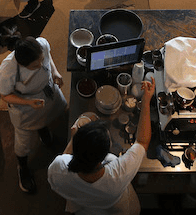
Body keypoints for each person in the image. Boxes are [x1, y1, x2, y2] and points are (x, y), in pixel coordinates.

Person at [48, 79, 155, 215]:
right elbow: (142, 141)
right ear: (104, 155)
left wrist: (73, 140)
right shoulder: (117, 175)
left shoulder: (58, 169)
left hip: (83, 206)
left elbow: (63, 159)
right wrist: (146, 100)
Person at [0, 33, 67, 194]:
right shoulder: (8, 69)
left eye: (40, 60)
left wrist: (55, 72)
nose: (40, 65)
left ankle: (43, 131)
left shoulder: (41, 44)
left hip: (47, 92)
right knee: (24, 142)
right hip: (26, 105)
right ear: (22, 64)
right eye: (35, 65)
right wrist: (28, 103)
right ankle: (22, 167)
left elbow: (48, 58)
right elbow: (5, 95)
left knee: (49, 114)